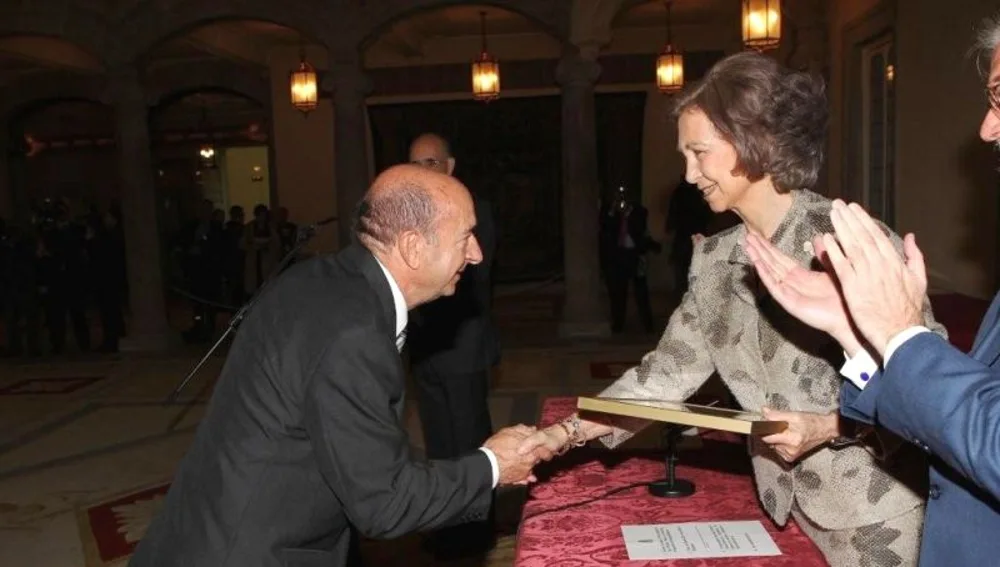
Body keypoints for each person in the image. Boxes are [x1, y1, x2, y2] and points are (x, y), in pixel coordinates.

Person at [517, 51, 942, 565]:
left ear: (753, 141)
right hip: (784, 505)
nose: (689, 173)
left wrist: (827, 427)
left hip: (875, 513)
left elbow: (930, 391)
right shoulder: (716, 260)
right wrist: (563, 434)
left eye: (699, 152)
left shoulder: (850, 243)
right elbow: (665, 374)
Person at [130, 164, 545, 567]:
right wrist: (492, 465)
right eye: (465, 236)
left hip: (209, 530)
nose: (476, 254)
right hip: (248, 551)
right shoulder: (353, 333)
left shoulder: (322, 280)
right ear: (414, 247)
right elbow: (385, 503)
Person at [742, 15, 1000, 565]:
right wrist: (857, 341)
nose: (986, 127)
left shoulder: (836, 227)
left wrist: (901, 335)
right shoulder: (718, 253)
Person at [406, 132, 502, 558]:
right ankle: (446, 528)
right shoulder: (407, 215)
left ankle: (476, 534)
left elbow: (471, 281)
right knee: (439, 447)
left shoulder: (473, 211)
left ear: (449, 166)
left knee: (469, 447)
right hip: (425, 350)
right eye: (414, 163)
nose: (421, 171)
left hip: (462, 348)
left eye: (429, 162)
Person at [599, 186, 659, 333]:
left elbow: (640, 230)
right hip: (618, 256)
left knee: (641, 292)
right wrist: (613, 213)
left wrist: (628, 214)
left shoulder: (640, 212)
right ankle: (618, 324)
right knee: (618, 293)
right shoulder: (610, 212)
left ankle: (648, 325)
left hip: (635, 255)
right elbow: (605, 227)